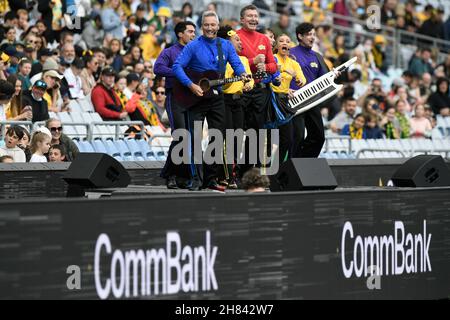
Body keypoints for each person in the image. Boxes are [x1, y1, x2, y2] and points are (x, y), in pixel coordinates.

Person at [173, 10, 249, 191]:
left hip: (217, 97)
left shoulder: (225, 45)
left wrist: (243, 75)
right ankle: (195, 179)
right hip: (196, 97)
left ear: (217, 25)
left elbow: (237, 64)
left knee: (217, 138)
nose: (209, 28)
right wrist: (191, 85)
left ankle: (210, 178)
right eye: (206, 25)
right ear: (201, 26)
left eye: (212, 25)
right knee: (195, 139)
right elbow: (177, 67)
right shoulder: (193, 46)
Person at [154, 21, 196, 189]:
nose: (194, 34)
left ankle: (177, 175)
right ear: (180, 34)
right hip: (176, 97)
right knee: (180, 135)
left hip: (193, 98)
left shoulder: (196, 52)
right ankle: (172, 174)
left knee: (188, 137)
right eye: (190, 31)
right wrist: (177, 73)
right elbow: (157, 68)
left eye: (194, 31)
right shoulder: (169, 52)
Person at [236, 5, 278, 174]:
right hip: (241, 90)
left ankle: (247, 170)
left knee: (256, 133)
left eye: (255, 16)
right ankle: (230, 171)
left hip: (260, 91)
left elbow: (274, 66)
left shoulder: (264, 39)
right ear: (242, 19)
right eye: (249, 16)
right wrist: (253, 61)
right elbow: (234, 62)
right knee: (236, 131)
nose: (253, 19)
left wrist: (265, 67)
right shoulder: (235, 37)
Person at [215, 26, 254, 188]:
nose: (240, 42)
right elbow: (219, 83)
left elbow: (251, 78)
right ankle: (225, 175)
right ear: (226, 43)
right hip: (224, 101)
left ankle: (233, 173)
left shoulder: (243, 60)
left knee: (238, 138)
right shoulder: (220, 59)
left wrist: (249, 84)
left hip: (239, 102)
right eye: (236, 39)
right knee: (227, 138)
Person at [289, 23, 330, 158]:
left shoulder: (317, 56)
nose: (312, 37)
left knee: (318, 136)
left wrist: (334, 75)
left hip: (312, 101)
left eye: (313, 34)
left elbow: (326, 78)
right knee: (298, 137)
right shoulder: (290, 53)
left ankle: (303, 163)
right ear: (300, 36)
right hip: (295, 102)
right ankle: (291, 167)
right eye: (309, 34)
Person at [271, 33, 306, 162]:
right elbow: (268, 76)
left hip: (284, 102)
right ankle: (263, 168)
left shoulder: (293, 63)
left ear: (290, 45)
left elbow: (302, 79)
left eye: (287, 41)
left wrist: (299, 80)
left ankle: (278, 167)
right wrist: (284, 71)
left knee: (288, 139)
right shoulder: (272, 58)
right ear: (277, 45)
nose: (284, 43)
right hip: (271, 100)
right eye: (281, 41)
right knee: (269, 138)